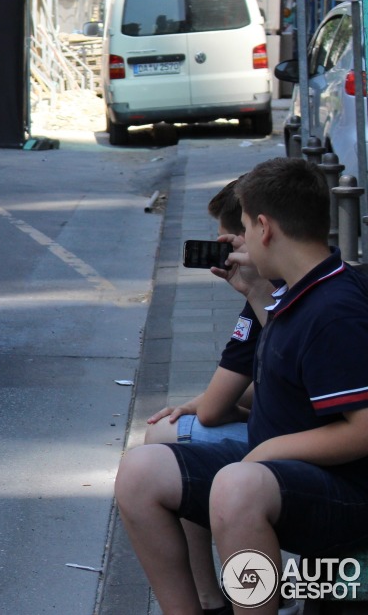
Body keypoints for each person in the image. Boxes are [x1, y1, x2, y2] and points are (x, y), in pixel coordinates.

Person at [115, 157, 368, 615]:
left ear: (265, 228)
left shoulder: (335, 309)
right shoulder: (297, 291)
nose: (243, 242)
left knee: (238, 485)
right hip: (275, 471)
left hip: (343, 493)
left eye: (247, 228)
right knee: (140, 472)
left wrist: (268, 453)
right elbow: (289, 386)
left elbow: (363, 429)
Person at [141, 178, 257, 614]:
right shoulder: (267, 294)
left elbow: (215, 411)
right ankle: (209, 596)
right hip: (284, 433)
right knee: (171, 437)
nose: (222, 251)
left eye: (228, 239)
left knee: (173, 444)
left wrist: (206, 404)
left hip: (292, 453)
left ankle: (218, 596)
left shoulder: (280, 297)